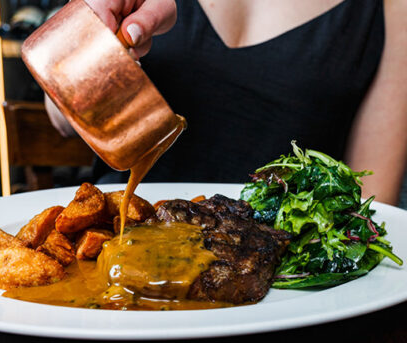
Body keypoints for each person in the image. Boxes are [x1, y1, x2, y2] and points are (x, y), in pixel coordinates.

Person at [45, 0, 407, 204]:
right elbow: (59, 120)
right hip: (114, 246)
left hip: (287, 291)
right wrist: (85, 39)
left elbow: (371, 203)